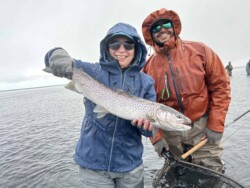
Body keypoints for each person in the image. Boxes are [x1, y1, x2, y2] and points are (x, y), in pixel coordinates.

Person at [44, 22, 156, 188]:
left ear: (137, 48)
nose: (121, 50)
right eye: (115, 44)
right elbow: (53, 59)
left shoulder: (146, 82)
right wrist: (56, 54)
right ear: (107, 48)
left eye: (128, 45)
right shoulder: (94, 71)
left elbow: (150, 131)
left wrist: (146, 127)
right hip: (93, 165)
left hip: (130, 167)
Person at [141, 8, 231, 173]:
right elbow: (146, 108)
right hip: (170, 134)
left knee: (212, 173)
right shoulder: (146, 69)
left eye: (166, 24)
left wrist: (216, 125)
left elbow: (221, 87)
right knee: (179, 174)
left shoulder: (201, 51)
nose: (161, 30)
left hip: (201, 129)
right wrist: (156, 138)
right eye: (155, 28)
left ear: (174, 26)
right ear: (150, 35)